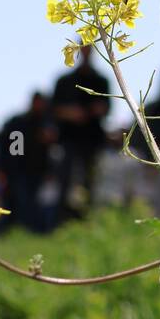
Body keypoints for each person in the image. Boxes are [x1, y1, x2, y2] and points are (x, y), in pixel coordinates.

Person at [51, 45, 110, 221]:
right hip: (68, 139)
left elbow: (107, 108)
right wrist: (71, 113)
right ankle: (62, 220)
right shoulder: (64, 80)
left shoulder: (101, 80)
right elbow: (53, 109)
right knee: (65, 181)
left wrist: (94, 111)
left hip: (92, 140)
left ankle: (86, 219)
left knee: (90, 182)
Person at [0, 91, 56, 233]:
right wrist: (3, 168)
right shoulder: (18, 122)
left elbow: (49, 151)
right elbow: (10, 148)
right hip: (17, 170)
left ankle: (28, 230)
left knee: (30, 202)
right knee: (17, 201)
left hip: (36, 170)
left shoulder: (46, 123)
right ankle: (12, 230)